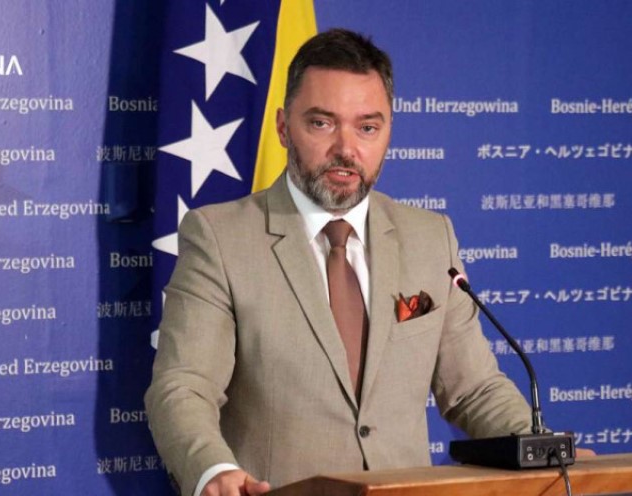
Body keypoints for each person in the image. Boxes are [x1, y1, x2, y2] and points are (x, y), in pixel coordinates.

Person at [145, 28, 532, 496]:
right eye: (322, 124)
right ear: (283, 127)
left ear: (388, 132)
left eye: (367, 127)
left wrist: (540, 448)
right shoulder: (220, 238)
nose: (347, 149)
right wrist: (213, 470)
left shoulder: (431, 237)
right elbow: (184, 387)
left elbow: (474, 389)